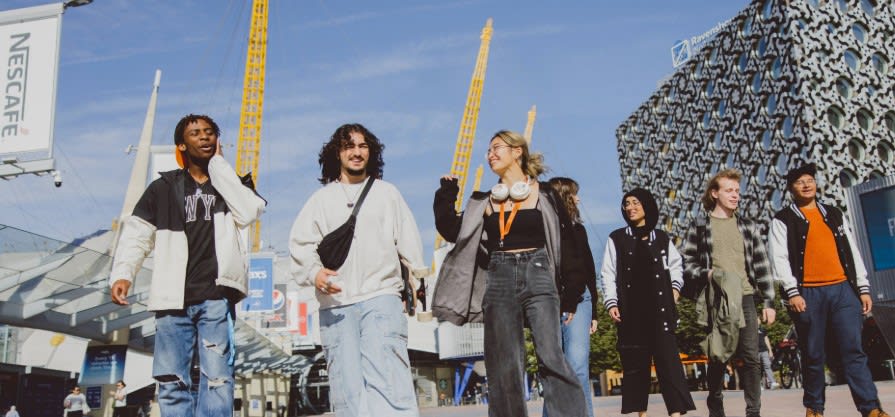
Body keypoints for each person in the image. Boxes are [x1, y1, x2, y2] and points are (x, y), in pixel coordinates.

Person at [110, 114, 267, 417]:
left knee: (218, 378)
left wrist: (221, 167)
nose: (204, 137)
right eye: (195, 133)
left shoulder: (232, 184)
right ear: (182, 144)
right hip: (172, 300)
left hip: (215, 297)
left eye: (210, 133)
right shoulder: (163, 187)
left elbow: (248, 213)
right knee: (171, 379)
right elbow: (137, 235)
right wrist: (123, 274)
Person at [432, 130, 586, 417]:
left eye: (497, 148)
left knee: (551, 356)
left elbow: (570, 242)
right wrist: (447, 192)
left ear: (518, 152)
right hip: (499, 276)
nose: (490, 154)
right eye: (488, 150)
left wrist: (572, 293)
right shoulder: (486, 200)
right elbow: (452, 230)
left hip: (539, 272)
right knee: (503, 362)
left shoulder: (546, 194)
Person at [288, 123, 427, 417]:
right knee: (346, 388)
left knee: (390, 380)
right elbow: (300, 245)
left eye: (363, 146)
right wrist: (314, 273)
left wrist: (416, 284)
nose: (356, 152)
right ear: (337, 153)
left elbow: (410, 243)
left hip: (381, 295)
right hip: (336, 304)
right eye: (349, 146)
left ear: (371, 152)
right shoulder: (320, 200)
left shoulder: (388, 194)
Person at [769, 163, 890, 417]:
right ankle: (814, 408)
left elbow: (852, 250)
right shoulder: (783, 220)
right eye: (800, 181)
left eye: (810, 179)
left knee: (854, 351)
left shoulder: (833, 214)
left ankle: (871, 409)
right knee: (813, 354)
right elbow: (779, 257)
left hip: (843, 290)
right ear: (792, 188)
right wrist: (792, 291)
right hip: (808, 294)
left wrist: (863, 287)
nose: (806, 184)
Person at [680, 169, 776, 417]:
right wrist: (707, 273)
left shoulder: (748, 226)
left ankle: (753, 411)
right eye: (729, 190)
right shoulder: (700, 226)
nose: (735, 195)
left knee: (752, 357)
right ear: (714, 193)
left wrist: (768, 301)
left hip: (745, 297)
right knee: (718, 355)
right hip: (716, 298)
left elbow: (762, 264)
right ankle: (716, 404)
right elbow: (685, 262)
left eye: (737, 191)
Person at [602, 188, 695, 417]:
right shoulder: (617, 238)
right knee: (635, 365)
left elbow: (676, 266)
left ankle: (676, 412)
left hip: (661, 311)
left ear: (646, 206)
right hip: (631, 312)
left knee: (669, 364)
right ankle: (640, 413)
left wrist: (675, 291)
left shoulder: (661, 238)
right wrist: (611, 302)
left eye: (635, 203)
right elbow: (608, 272)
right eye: (627, 203)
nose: (630, 207)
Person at [543, 177, 598, 417]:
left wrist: (593, 311)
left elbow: (587, 269)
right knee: (553, 368)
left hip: (578, 299)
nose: (578, 199)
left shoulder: (578, 229)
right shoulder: (542, 231)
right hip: (549, 301)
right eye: (574, 194)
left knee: (577, 367)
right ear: (564, 196)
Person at [757, 320, 779, 389]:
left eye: (758, 319)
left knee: (767, 365)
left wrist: (770, 350)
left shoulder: (762, 329)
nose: (757, 320)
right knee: (757, 368)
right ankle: (758, 385)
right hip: (755, 351)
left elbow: (766, 340)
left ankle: (772, 382)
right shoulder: (750, 330)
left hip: (764, 351)